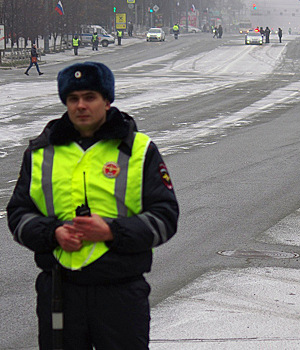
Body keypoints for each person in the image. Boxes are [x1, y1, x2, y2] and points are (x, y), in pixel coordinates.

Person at [6, 61, 179, 350]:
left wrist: (111, 231)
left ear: (107, 100)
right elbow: (18, 215)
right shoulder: (40, 151)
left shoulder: (139, 150)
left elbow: (165, 218)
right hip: (59, 293)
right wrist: (53, 234)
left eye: (90, 97)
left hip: (120, 293)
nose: (80, 106)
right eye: (73, 99)